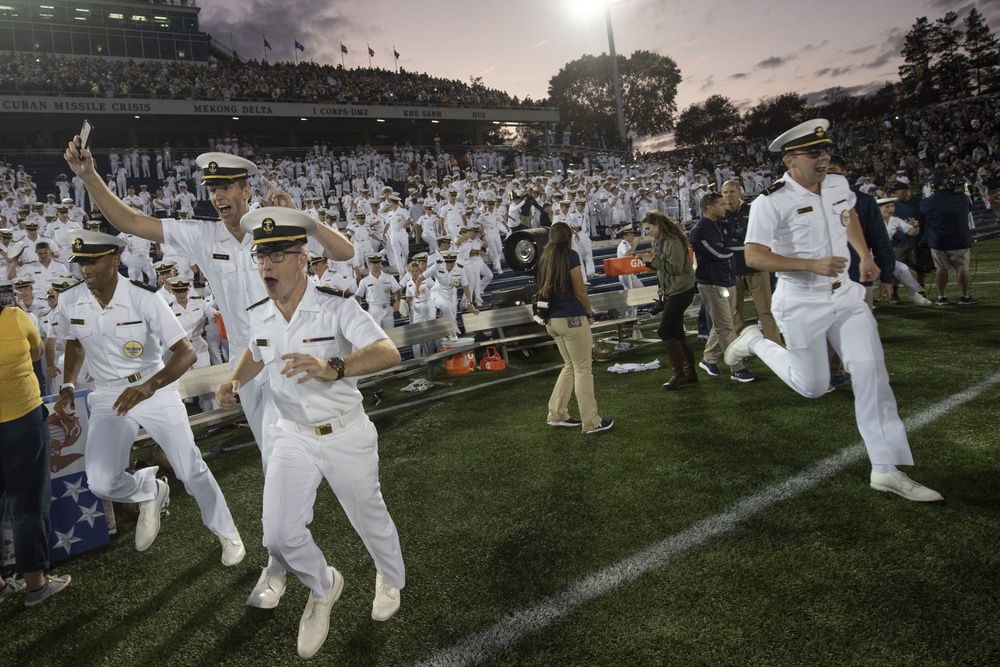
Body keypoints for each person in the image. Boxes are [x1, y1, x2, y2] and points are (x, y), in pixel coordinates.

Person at [65, 141, 354, 608]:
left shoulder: (274, 224)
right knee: (274, 466)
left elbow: (343, 253)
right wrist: (88, 176)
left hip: (298, 356)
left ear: (246, 189)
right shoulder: (202, 236)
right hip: (252, 363)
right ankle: (279, 566)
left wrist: (303, 216)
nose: (218, 195)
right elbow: (130, 222)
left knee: (326, 464)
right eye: (212, 188)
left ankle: (293, 559)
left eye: (225, 186)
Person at [216, 209, 405, 660]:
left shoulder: (336, 303)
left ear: (303, 259)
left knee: (369, 517)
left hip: (345, 432)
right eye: (262, 257)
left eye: (277, 255)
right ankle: (324, 586)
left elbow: (388, 351)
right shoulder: (261, 312)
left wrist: (332, 367)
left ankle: (390, 579)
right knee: (279, 536)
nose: (266, 266)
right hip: (291, 434)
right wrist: (235, 379)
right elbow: (256, 350)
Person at [725, 118, 943, 502]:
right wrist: (810, 264)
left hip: (846, 297)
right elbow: (755, 255)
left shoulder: (839, 185)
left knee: (871, 375)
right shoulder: (770, 201)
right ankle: (755, 342)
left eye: (825, 150)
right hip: (801, 301)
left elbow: (849, 216)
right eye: (814, 153)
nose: (823, 158)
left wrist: (864, 255)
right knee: (812, 387)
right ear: (791, 160)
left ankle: (885, 469)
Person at [52, 230, 247, 560]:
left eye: (93, 260)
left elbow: (184, 352)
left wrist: (149, 386)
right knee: (100, 481)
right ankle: (150, 489)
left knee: (189, 468)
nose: (85, 269)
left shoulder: (145, 297)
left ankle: (227, 534)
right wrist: (68, 385)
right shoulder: (70, 300)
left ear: (115, 260)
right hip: (108, 393)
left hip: (152, 386)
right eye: (81, 262)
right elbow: (73, 342)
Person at [0, 304, 71, 607]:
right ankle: (35, 584)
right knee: (28, 500)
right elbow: (37, 352)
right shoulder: (14, 316)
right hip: (22, 419)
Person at [536, 222, 613, 434]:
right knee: (582, 370)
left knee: (569, 366)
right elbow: (579, 290)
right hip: (571, 318)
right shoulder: (569, 256)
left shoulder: (544, 257)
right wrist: (589, 313)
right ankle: (592, 422)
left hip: (552, 320)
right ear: (568, 236)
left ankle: (557, 413)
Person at [690, 192, 755, 383]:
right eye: (720, 204)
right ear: (710, 208)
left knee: (723, 322)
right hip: (712, 283)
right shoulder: (700, 230)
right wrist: (734, 249)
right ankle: (737, 368)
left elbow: (735, 240)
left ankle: (709, 359)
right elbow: (717, 253)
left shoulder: (721, 224)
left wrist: (730, 247)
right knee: (726, 326)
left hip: (727, 280)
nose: (725, 206)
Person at [638, 211, 697, 389]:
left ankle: (679, 374)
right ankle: (689, 373)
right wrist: (650, 262)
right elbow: (667, 268)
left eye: (649, 228)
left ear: (658, 224)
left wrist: (652, 261)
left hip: (681, 289)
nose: (647, 232)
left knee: (664, 330)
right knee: (677, 332)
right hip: (675, 289)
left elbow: (676, 268)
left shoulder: (671, 241)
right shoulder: (662, 241)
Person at [721, 180, 781, 343]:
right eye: (725, 192)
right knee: (734, 312)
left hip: (757, 268)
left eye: (732, 192)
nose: (728, 195)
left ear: (740, 193)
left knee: (766, 310)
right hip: (732, 271)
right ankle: (743, 345)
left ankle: (775, 344)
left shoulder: (753, 209)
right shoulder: (719, 214)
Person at [920, 172, 977, 305]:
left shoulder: (927, 201)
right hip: (960, 239)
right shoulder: (962, 197)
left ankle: (942, 297)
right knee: (963, 268)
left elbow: (923, 216)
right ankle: (964, 296)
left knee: (940, 268)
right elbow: (968, 209)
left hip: (938, 241)